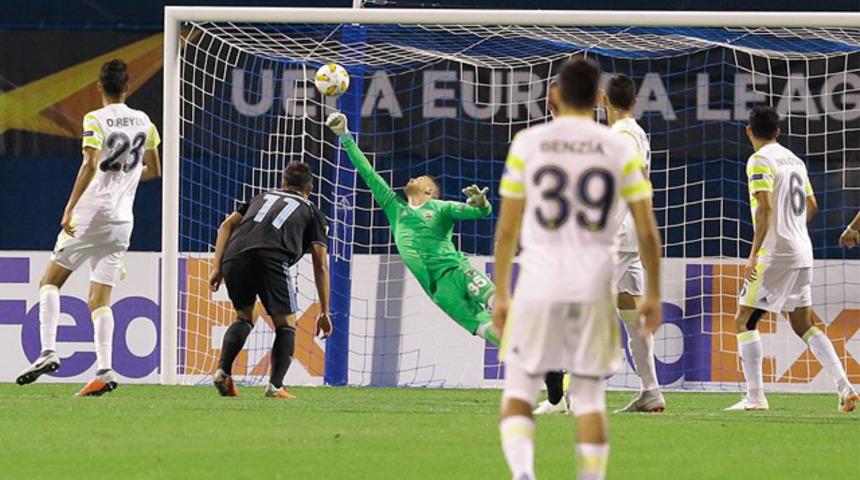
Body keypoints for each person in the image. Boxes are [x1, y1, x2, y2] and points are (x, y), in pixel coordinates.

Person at [493, 58, 663, 480]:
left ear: (555, 97)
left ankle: (533, 451)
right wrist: (656, 293)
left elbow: (506, 229)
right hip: (608, 249)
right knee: (626, 313)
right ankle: (649, 391)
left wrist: (500, 291)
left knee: (518, 388)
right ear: (596, 98)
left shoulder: (532, 142)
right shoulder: (627, 138)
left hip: (553, 266)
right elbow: (648, 215)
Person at [16, 59, 162, 396]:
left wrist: (69, 208)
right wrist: (127, 174)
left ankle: (49, 350)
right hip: (123, 221)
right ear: (128, 87)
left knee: (49, 281)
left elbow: (89, 163)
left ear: (100, 87)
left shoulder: (95, 119)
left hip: (92, 213)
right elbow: (154, 169)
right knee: (100, 300)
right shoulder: (145, 122)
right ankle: (105, 369)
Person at [325, 112, 500, 345]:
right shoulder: (394, 208)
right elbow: (368, 173)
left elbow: (479, 212)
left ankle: (540, 333)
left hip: (457, 271)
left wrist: (482, 203)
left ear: (429, 191)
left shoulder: (440, 207)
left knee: (498, 303)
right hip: (438, 291)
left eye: (421, 178)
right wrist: (345, 136)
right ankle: (539, 363)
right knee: (485, 329)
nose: (413, 177)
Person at [726, 106, 858, 412]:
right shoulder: (794, 160)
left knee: (743, 321)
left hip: (776, 252)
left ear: (749, 131)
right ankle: (845, 386)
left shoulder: (759, 160)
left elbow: (765, 207)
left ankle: (756, 397)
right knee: (804, 322)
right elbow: (812, 203)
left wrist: (754, 252)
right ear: (778, 132)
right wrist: (794, 227)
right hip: (802, 249)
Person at [209, 162, 332, 399]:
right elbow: (320, 262)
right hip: (271, 256)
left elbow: (226, 225)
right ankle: (275, 386)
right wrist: (324, 311)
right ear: (310, 188)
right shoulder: (313, 211)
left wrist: (217, 266)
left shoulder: (261, 197)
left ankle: (223, 371)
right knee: (286, 323)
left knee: (245, 316)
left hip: (234, 255)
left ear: (283, 183)